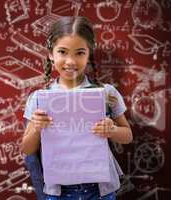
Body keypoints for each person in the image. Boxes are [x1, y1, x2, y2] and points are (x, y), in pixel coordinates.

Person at [21, 16, 133, 200]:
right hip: (58, 190)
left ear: (89, 53)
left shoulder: (107, 93)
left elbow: (128, 136)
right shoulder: (39, 98)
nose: (71, 61)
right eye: (63, 52)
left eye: (79, 53)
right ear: (51, 53)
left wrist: (112, 129)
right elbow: (27, 149)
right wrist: (36, 128)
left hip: (100, 189)